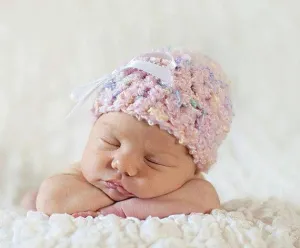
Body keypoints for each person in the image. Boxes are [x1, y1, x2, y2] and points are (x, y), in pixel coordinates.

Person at [21, 48, 233, 219]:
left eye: (152, 160)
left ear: (193, 168)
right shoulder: (79, 177)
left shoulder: (192, 185)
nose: (123, 165)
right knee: (41, 196)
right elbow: (52, 200)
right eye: (111, 142)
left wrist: (124, 210)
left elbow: (207, 201)